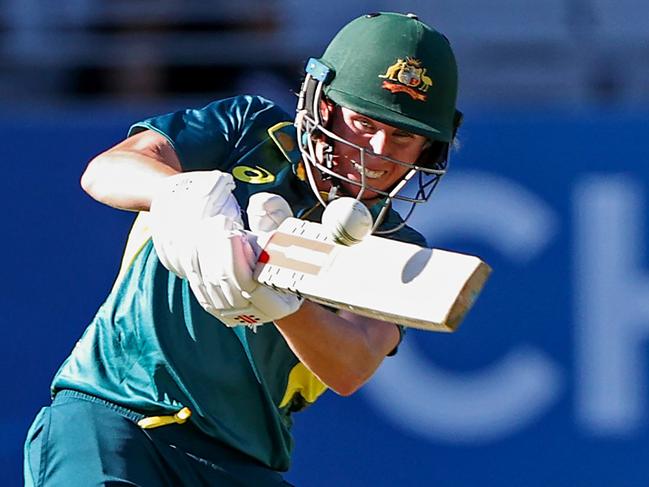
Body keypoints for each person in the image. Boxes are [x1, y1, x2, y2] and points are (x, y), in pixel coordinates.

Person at [24, 11, 461, 486]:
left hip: (241, 458)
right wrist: (188, 200)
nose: (377, 150)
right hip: (113, 417)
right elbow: (107, 170)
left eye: (403, 135)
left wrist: (280, 303)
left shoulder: (396, 243)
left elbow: (352, 365)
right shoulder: (248, 129)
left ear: (428, 148)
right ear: (324, 104)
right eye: (363, 121)